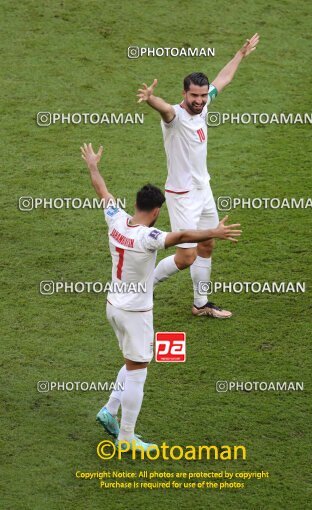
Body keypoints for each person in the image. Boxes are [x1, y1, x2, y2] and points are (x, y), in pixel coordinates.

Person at [81, 143, 241, 451]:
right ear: (156, 211)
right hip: (136, 312)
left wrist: (93, 165)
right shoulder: (149, 237)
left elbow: (102, 191)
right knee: (139, 369)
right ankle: (127, 437)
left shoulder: (116, 219)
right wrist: (213, 232)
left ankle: (109, 410)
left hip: (113, 306)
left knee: (132, 360)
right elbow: (180, 237)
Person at [137, 33, 259, 318]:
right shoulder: (175, 118)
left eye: (203, 96)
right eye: (194, 96)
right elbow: (165, 110)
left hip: (204, 190)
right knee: (185, 257)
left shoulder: (203, 108)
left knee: (207, 244)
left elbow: (223, 79)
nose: (200, 100)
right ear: (184, 94)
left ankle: (200, 304)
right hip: (183, 197)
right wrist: (151, 98)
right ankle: (142, 287)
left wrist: (240, 54)